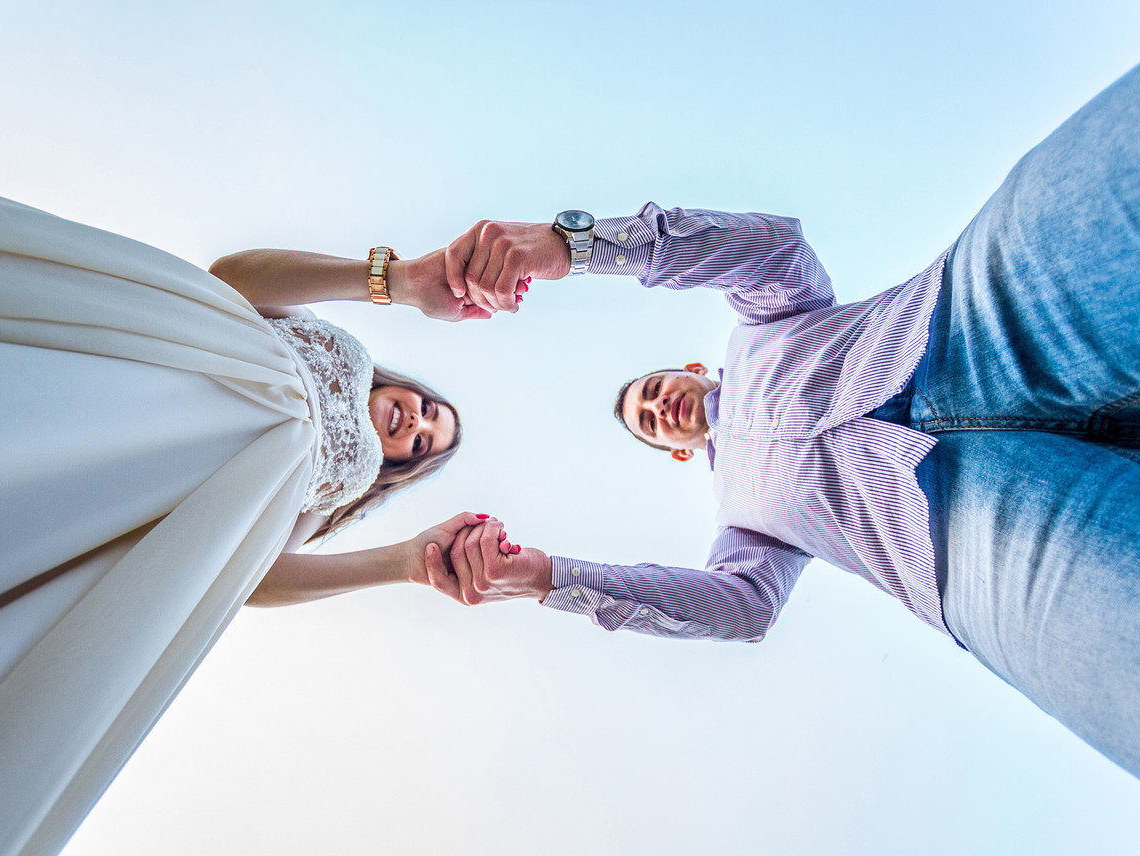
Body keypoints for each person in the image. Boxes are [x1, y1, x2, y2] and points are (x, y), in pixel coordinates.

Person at [423, 64, 1140, 777]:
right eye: (648, 420)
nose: (656, 406)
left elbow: (776, 250)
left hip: (976, 316)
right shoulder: (743, 521)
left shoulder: (763, 322)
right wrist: (555, 578)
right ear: (672, 451)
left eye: (652, 389)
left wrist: (575, 246)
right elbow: (741, 611)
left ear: (690, 370)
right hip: (971, 552)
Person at [0, 178, 513, 856]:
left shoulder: (330, 487)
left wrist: (404, 563)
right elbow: (231, 281)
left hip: (167, 486)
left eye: (420, 445)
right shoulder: (338, 348)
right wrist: (401, 280)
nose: (416, 423)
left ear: (395, 465)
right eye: (427, 409)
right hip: (150, 371)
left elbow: (259, 577)